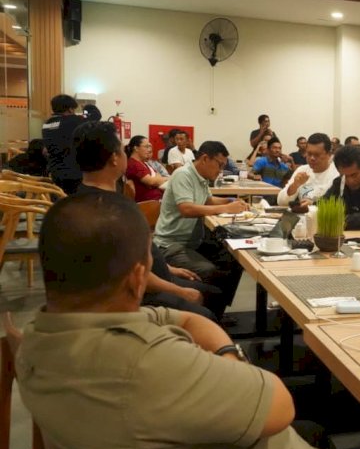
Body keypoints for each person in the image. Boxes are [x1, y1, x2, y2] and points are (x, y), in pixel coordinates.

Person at [16, 191, 336, 449]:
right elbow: (281, 407)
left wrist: (214, 345)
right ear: (139, 277)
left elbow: (176, 317)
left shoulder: (40, 337)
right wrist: (229, 355)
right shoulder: (146, 364)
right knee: (316, 435)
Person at [73, 121, 219, 320]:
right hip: (141, 296)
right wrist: (180, 291)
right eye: (123, 150)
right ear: (115, 159)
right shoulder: (109, 211)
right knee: (207, 308)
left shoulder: (88, 199)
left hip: (154, 277)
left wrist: (169, 269)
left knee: (213, 291)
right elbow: (130, 274)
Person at [154, 141, 248, 318]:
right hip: (171, 244)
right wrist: (226, 209)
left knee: (235, 259)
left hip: (193, 241)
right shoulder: (183, 175)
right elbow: (187, 209)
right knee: (209, 270)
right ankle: (205, 314)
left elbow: (207, 201)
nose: (220, 170)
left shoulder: (201, 177)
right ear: (205, 158)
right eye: (219, 165)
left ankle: (217, 309)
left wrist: (230, 202)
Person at [277, 133, 339, 211]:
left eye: (317, 155)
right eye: (309, 154)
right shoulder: (302, 170)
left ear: (329, 154)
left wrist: (313, 205)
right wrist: (295, 185)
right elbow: (281, 202)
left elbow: (337, 206)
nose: (312, 158)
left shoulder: (337, 174)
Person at [41, 94, 84, 194]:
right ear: (70, 109)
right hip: (73, 172)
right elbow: (95, 119)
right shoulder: (73, 121)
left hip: (55, 170)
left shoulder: (47, 124)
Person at [125, 135, 169, 202]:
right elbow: (151, 181)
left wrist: (156, 180)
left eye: (149, 147)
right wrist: (166, 178)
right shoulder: (134, 164)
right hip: (148, 203)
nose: (149, 150)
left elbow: (157, 176)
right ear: (136, 148)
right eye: (146, 147)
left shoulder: (144, 163)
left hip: (157, 199)